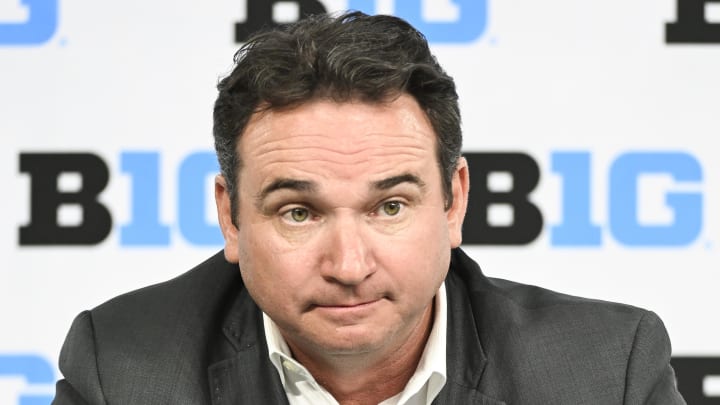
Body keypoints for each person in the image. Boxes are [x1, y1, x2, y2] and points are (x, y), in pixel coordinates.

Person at [52, 11, 686, 405]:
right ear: (231, 217)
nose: (350, 265)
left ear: (454, 202)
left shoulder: (605, 372)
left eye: (389, 206)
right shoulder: (125, 368)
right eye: (299, 212)